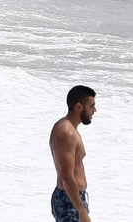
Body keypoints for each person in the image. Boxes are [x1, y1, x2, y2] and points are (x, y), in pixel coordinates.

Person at [49, 85, 95, 222]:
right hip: (69, 202)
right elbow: (67, 177)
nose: (94, 110)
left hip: (71, 199)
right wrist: (82, 211)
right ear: (79, 107)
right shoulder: (66, 133)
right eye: (91, 106)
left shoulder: (67, 128)